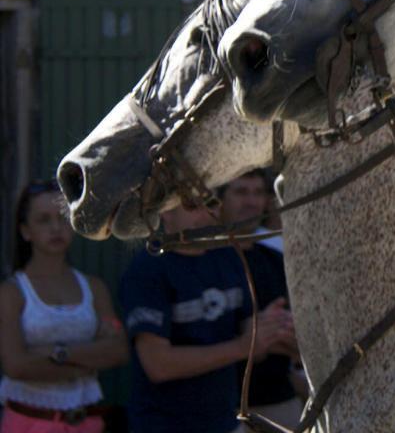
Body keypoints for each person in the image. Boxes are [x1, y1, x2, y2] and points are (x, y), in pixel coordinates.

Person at [119, 202, 293, 433]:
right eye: (193, 207)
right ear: (166, 212)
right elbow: (157, 364)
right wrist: (243, 346)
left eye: (210, 205)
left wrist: (272, 329)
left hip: (225, 423)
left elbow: (252, 341)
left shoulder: (227, 256)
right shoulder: (148, 270)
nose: (205, 215)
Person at [0, 180, 129, 433]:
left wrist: (57, 352)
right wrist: (89, 360)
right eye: (43, 220)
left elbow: (118, 351)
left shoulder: (94, 288)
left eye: (62, 217)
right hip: (28, 423)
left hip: (85, 422)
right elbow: (16, 365)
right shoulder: (12, 293)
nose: (56, 227)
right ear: (25, 231)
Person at [217, 172, 302, 430]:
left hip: (279, 401)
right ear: (218, 201)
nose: (251, 202)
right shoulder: (204, 259)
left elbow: (298, 334)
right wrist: (253, 338)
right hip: (219, 409)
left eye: (258, 193)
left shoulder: (277, 261)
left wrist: (286, 337)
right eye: (241, 192)